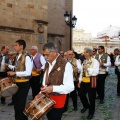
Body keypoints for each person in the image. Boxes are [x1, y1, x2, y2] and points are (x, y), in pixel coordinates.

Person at [41, 42, 74, 120]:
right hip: (46, 99)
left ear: (54, 53)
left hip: (57, 100)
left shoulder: (66, 64)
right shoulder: (47, 64)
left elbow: (70, 87)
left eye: (47, 55)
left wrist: (53, 88)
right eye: (44, 55)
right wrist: (40, 94)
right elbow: (44, 82)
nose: (45, 57)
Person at [7, 39, 33, 120]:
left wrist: (15, 73)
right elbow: (17, 68)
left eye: (16, 45)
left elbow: (28, 72)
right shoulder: (18, 56)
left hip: (24, 84)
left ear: (21, 46)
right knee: (16, 105)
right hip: (16, 83)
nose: (14, 47)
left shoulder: (27, 57)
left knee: (20, 106)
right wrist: (11, 68)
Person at [78, 47, 99, 119]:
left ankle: (91, 112)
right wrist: (80, 81)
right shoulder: (84, 61)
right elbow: (81, 72)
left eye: (86, 52)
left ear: (89, 53)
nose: (84, 54)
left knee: (91, 98)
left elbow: (96, 72)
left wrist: (88, 68)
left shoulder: (95, 61)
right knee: (81, 94)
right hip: (84, 81)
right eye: (84, 52)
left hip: (91, 81)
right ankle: (86, 106)